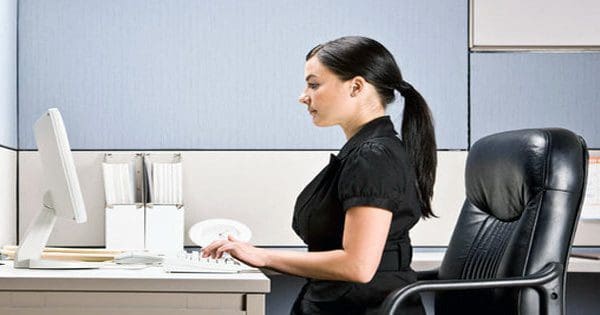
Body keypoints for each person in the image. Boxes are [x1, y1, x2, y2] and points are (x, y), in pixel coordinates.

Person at [201, 36, 437, 315]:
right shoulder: (364, 151)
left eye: (314, 84)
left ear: (356, 86)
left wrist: (262, 255)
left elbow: (358, 266)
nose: (303, 96)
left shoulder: (373, 156)